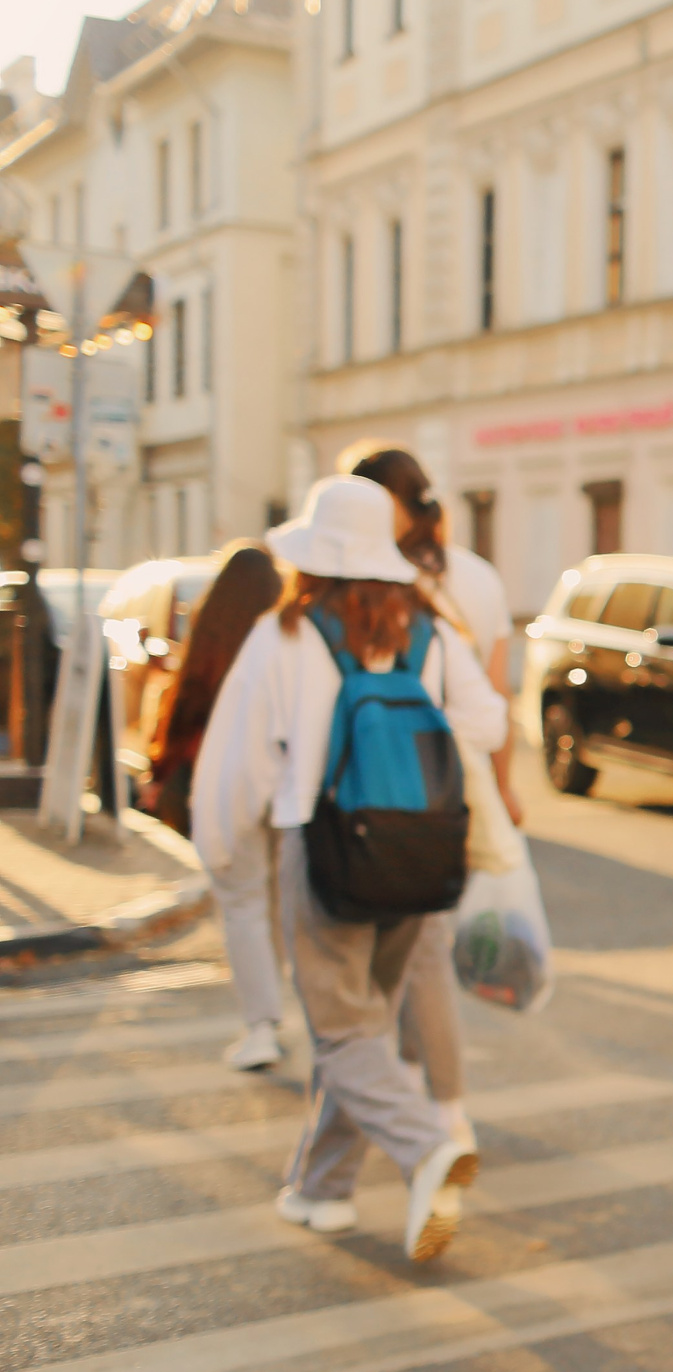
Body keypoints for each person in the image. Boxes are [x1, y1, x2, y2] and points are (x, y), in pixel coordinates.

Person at [194, 475, 505, 1263]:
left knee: (342, 1030)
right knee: (362, 1028)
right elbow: (488, 720)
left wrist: (224, 844)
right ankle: (320, 1188)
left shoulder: (288, 632)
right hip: (421, 847)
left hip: (327, 845)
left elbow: (241, 761)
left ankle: (424, 1145)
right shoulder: (430, 627)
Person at [340, 443, 517, 1154]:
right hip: (454, 791)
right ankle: (425, 1100)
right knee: (419, 949)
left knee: (388, 967)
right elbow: (493, 701)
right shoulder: (475, 577)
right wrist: (503, 790)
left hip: (374, 800)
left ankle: (435, 1114)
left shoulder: (375, 584)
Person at [145, 539, 290, 1071]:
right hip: (282, 781)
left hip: (227, 782)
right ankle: (274, 1014)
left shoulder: (212, 631)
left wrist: (160, 770)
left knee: (244, 903)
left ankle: (262, 1024)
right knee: (275, 902)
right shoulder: (286, 631)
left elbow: (184, 706)